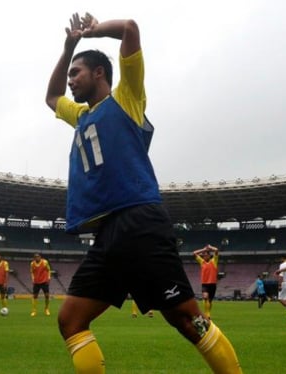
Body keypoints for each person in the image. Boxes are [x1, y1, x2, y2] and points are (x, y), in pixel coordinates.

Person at [45, 11, 241, 373]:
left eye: (77, 72)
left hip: (139, 221)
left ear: (99, 73)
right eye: (70, 74)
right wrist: (68, 48)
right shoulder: (81, 115)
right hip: (106, 235)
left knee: (187, 320)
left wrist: (93, 32)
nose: (71, 81)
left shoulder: (127, 99)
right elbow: (51, 96)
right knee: (70, 321)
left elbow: (130, 29)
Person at [193, 245, 220, 319]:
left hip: (212, 284)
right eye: (203, 255)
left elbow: (216, 250)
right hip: (205, 284)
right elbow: (194, 253)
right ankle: (207, 314)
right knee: (205, 297)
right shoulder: (202, 262)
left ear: (209, 255)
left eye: (205, 254)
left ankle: (208, 313)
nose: (204, 256)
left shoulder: (214, 261)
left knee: (210, 301)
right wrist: (203, 249)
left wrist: (210, 247)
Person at [30, 253, 51, 317]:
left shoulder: (45, 262)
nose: (37, 258)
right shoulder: (32, 264)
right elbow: (32, 272)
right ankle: (34, 311)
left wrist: (48, 278)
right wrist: (33, 279)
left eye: (38, 257)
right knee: (35, 296)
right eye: (35, 257)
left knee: (47, 295)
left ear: (40, 257)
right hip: (36, 282)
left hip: (44, 281)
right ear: (34, 258)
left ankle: (46, 309)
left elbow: (48, 270)